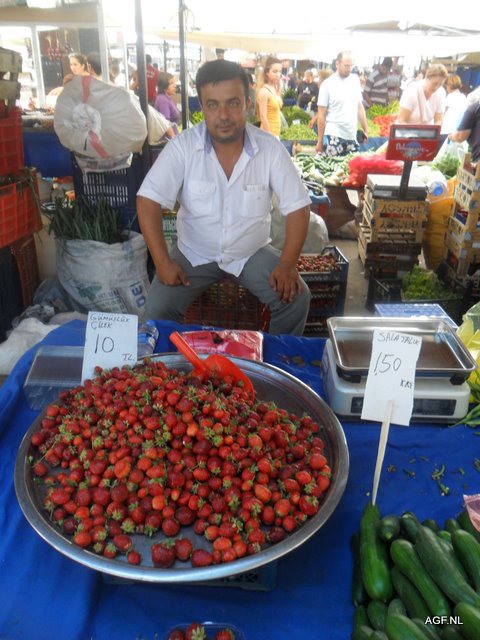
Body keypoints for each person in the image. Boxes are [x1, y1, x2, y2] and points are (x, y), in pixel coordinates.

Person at [136, 59, 312, 336]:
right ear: (202, 107)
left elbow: (299, 208)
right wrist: (162, 262)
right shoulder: (183, 147)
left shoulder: (270, 149)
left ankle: (277, 358)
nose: (223, 115)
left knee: (297, 298)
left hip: (250, 253)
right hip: (192, 253)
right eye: (213, 105)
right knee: (156, 312)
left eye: (233, 103)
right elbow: (148, 201)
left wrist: (287, 265)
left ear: (247, 104)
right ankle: (166, 362)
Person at [315, 51, 368, 156]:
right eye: (346, 66)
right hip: (333, 136)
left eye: (351, 66)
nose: (349, 69)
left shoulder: (355, 81)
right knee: (332, 165)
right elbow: (321, 115)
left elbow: (359, 107)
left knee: (353, 166)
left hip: (352, 136)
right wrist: (320, 141)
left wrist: (366, 128)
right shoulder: (327, 84)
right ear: (337, 64)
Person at [256, 56, 283, 137]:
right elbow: (263, 116)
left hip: (275, 133)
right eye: (275, 71)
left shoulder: (275, 89)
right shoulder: (264, 92)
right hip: (268, 135)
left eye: (280, 71)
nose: (278, 74)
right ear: (267, 73)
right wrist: (269, 137)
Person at [440, 74, 468, 142]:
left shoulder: (450, 97)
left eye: (446, 85)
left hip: (446, 129)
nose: (446, 88)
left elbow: (442, 112)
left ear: (449, 85)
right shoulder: (463, 97)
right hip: (456, 130)